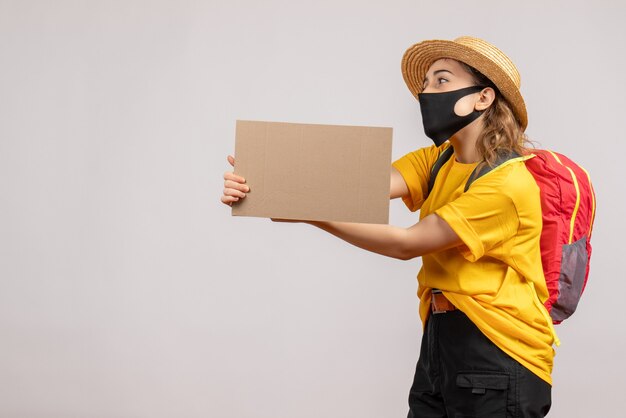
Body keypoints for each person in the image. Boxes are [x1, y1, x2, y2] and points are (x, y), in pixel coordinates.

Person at [221, 36, 555, 417]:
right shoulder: (437, 160)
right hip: (441, 336)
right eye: (425, 83)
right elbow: (357, 186)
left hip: (499, 348)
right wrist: (264, 181)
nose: (426, 93)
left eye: (441, 81)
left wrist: (307, 212)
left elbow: (408, 244)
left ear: (483, 98)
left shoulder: (508, 184)